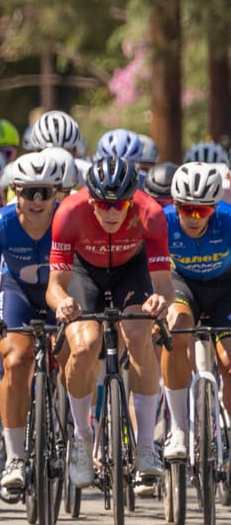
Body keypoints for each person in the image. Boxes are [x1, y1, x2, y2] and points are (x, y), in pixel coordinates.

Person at [46, 156, 173, 493]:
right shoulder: (68, 213)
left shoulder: (151, 214)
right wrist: (62, 302)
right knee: (85, 345)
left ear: (132, 199)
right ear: (91, 200)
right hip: (84, 273)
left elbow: (164, 285)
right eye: (104, 204)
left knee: (139, 334)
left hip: (131, 271)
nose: (112, 212)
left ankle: (145, 446)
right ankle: (82, 438)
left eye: (120, 204)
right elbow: (54, 286)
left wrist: (160, 301)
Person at [0, 151, 64, 500]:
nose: (37, 201)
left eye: (45, 192)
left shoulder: (66, 221)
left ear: (56, 193)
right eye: (28, 192)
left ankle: (72, 431)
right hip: (17, 293)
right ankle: (14, 458)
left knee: (76, 354)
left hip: (61, 294)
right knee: (17, 360)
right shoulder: (0, 223)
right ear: (15, 192)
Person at [160, 163, 231, 456]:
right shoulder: (162, 221)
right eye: (185, 209)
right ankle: (179, 429)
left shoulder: (228, 219)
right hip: (183, 284)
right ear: (175, 204)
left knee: (229, 361)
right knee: (176, 333)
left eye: (202, 211)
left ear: (214, 207)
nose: (192, 217)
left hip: (224, 289)